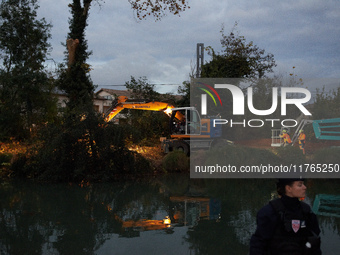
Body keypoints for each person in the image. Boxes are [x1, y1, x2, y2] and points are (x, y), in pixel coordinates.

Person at [249, 178, 321, 255]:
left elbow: (314, 241)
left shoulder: (306, 211)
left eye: (303, 184)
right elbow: (258, 245)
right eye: (300, 185)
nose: (305, 187)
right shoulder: (269, 212)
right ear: (288, 188)